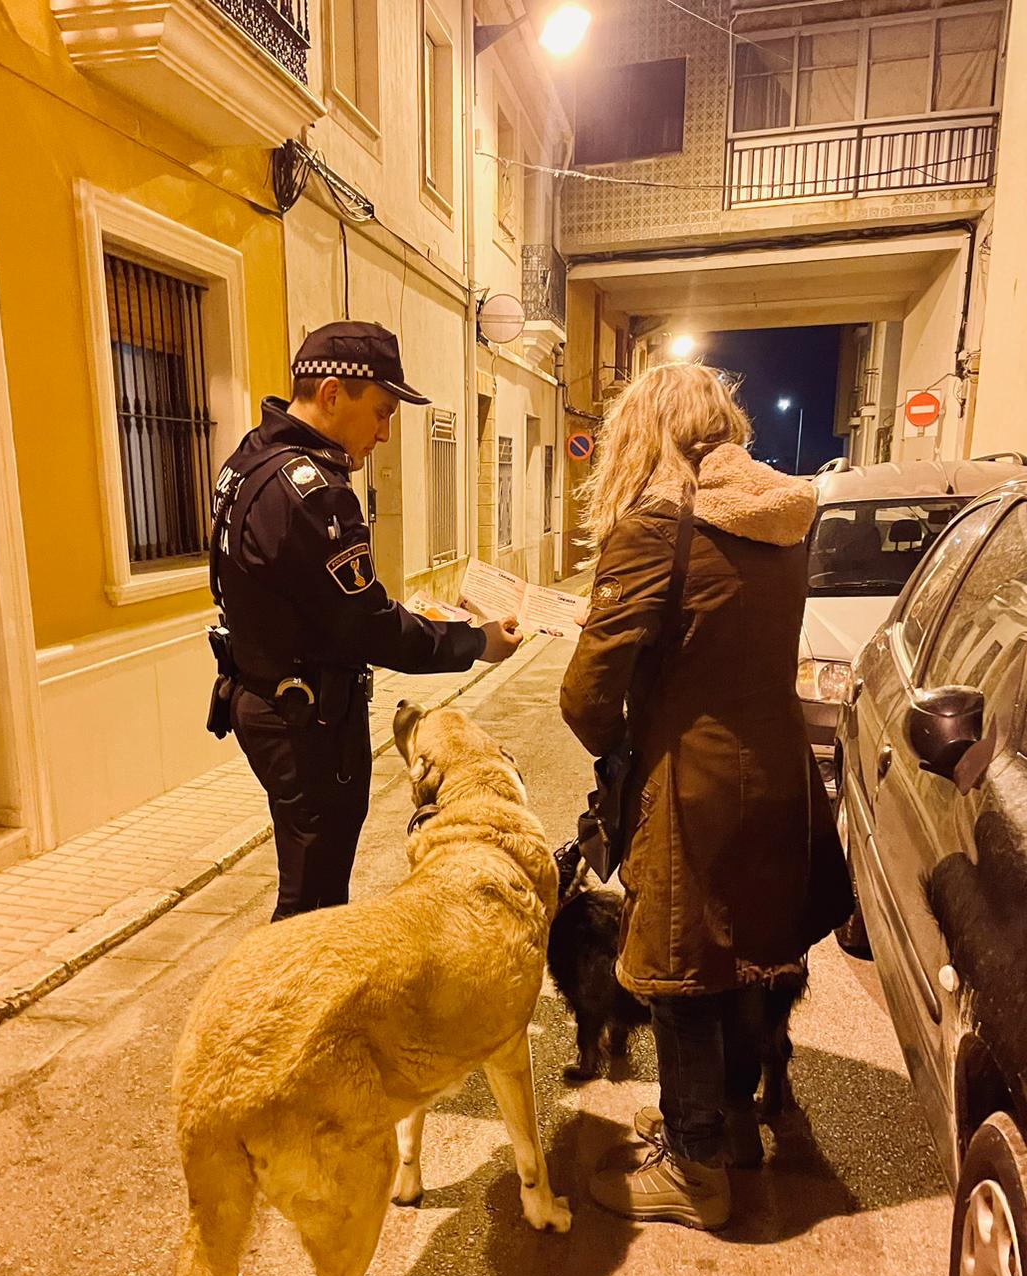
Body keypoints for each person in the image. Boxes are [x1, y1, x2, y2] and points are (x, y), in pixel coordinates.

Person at [558, 364, 853, 1230]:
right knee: (746, 951)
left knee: (680, 965)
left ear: (644, 432)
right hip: (780, 775)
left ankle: (693, 1168)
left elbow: (584, 695)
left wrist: (619, 754)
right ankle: (726, 1126)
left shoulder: (658, 526)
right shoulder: (784, 522)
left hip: (691, 781)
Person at [210, 320, 520, 920]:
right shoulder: (315, 493)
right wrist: (474, 642)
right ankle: (292, 1009)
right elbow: (368, 626)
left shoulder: (252, 458)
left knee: (308, 881)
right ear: (331, 394)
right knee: (316, 902)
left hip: (263, 696)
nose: (382, 434)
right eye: (379, 413)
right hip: (308, 719)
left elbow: (316, 602)